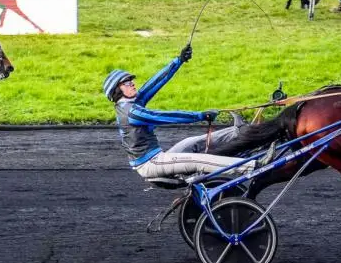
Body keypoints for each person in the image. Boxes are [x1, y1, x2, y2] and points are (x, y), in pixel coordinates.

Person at [104, 44, 257, 182]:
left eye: (131, 81)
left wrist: (178, 61)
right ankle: (253, 166)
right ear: (117, 90)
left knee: (191, 142)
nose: (132, 84)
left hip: (157, 157)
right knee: (200, 160)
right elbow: (166, 117)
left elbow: (155, 82)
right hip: (150, 163)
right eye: (127, 83)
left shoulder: (131, 103)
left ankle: (239, 133)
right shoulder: (132, 112)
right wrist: (200, 116)